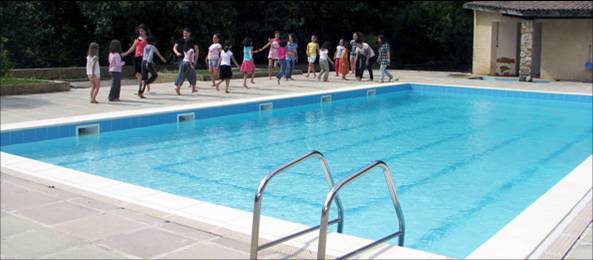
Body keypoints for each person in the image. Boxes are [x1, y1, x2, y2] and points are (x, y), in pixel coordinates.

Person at [123, 24, 150, 92]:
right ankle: (141, 85)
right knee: (137, 74)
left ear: (145, 31)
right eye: (139, 31)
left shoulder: (148, 39)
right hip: (137, 58)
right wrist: (125, 54)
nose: (140, 32)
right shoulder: (137, 39)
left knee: (143, 73)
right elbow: (132, 48)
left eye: (142, 31)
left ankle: (142, 86)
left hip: (144, 58)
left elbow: (151, 49)